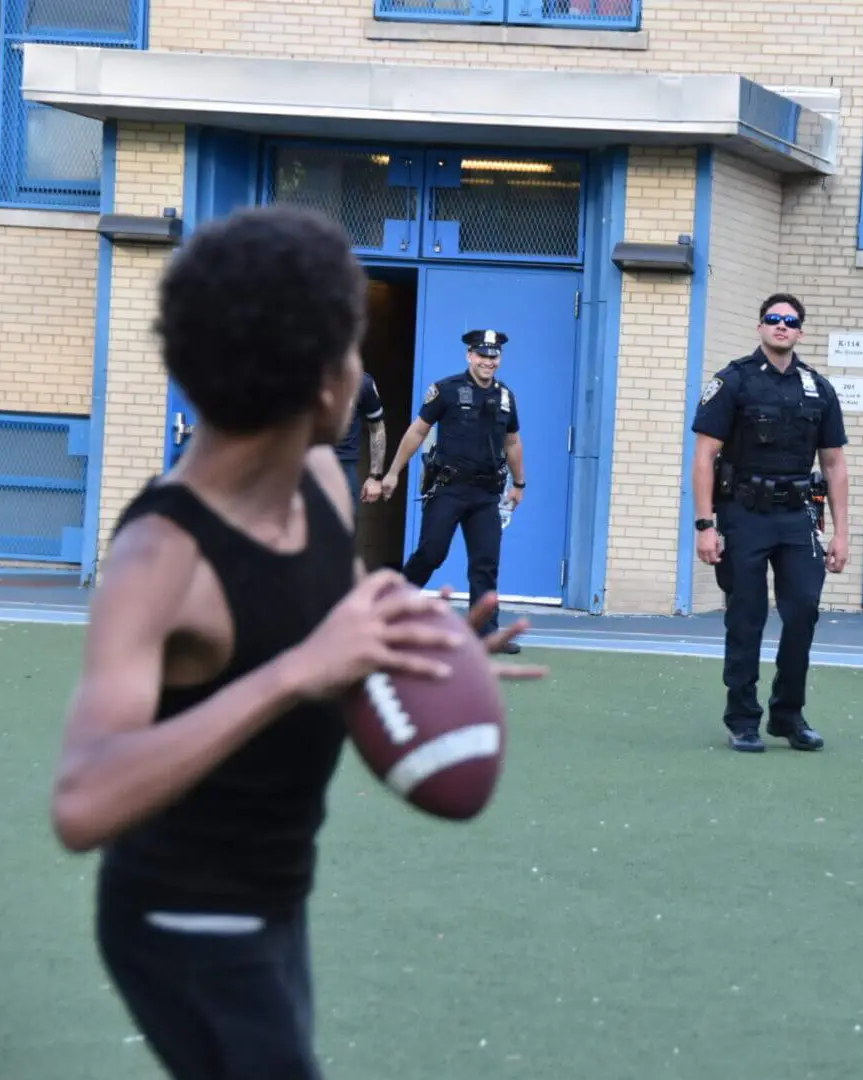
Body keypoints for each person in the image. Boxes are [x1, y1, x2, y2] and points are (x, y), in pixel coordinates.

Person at [50, 204, 545, 1080]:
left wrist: (420, 643)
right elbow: (84, 799)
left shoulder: (320, 482)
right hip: (183, 919)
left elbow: (329, 620)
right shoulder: (162, 557)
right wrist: (295, 675)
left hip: (276, 894)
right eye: (353, 353)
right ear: (327, 385)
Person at [690, 293, 849, 753]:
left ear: (800, 331)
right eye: (773, 319)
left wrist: (842, 532)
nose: (781, 326)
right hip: (744, 514)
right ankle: (742, 719)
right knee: (747, 617)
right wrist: (705, 523)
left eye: (790, 321)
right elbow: (704, 457)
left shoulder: (818, 388)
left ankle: (788, 714)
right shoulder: (733, 382)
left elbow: (835, 464)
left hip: (797, 516)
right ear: (760, 326)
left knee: (803, 611)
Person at [380, 329, 526, 652]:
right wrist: (392, 473)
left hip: (486, 493)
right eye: (483, 355)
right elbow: (418, 431)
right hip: (449, 488)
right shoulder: (445, 390)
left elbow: (512, 442)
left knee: (485, 563)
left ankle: (485, 632)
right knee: (431, 553)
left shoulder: (505, 397)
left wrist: (519, 484)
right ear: (469, 356)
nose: (489, 361)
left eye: (494, 356)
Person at [331, 369, 387, 507]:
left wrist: (375, 476)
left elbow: (377, 428)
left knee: (342, 527)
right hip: (298, 466)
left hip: (343, 468)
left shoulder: (361, 382)